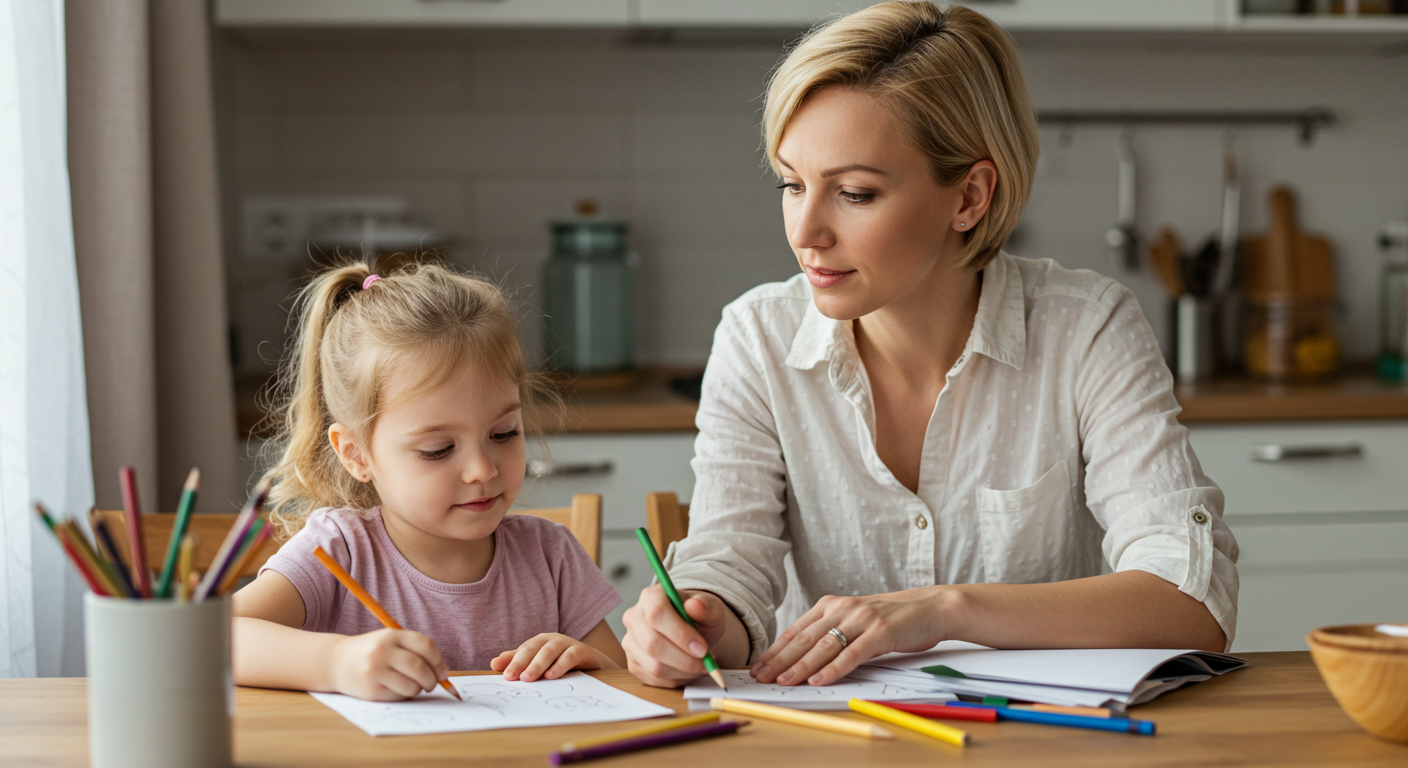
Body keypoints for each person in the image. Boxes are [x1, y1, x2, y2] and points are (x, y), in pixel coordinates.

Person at [622, 1, 1238, 690]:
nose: (805, 232)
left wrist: (946, 611)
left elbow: (1192, 602)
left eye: (855, 193)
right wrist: (700, 626)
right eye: (792, 185)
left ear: (970, 196)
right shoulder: (756, 337)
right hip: (831, 736)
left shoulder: (1087, 328)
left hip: (1039, 735)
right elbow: (731, 565)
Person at [232, 261, 626, 701]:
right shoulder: (339, 550)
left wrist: (588, 661)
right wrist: (337, 662)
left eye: (503, 434)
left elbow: (626, 682)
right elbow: (218, 639)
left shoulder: (552, 556)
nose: (483, 470)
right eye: (438, 449)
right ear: (356, 455)